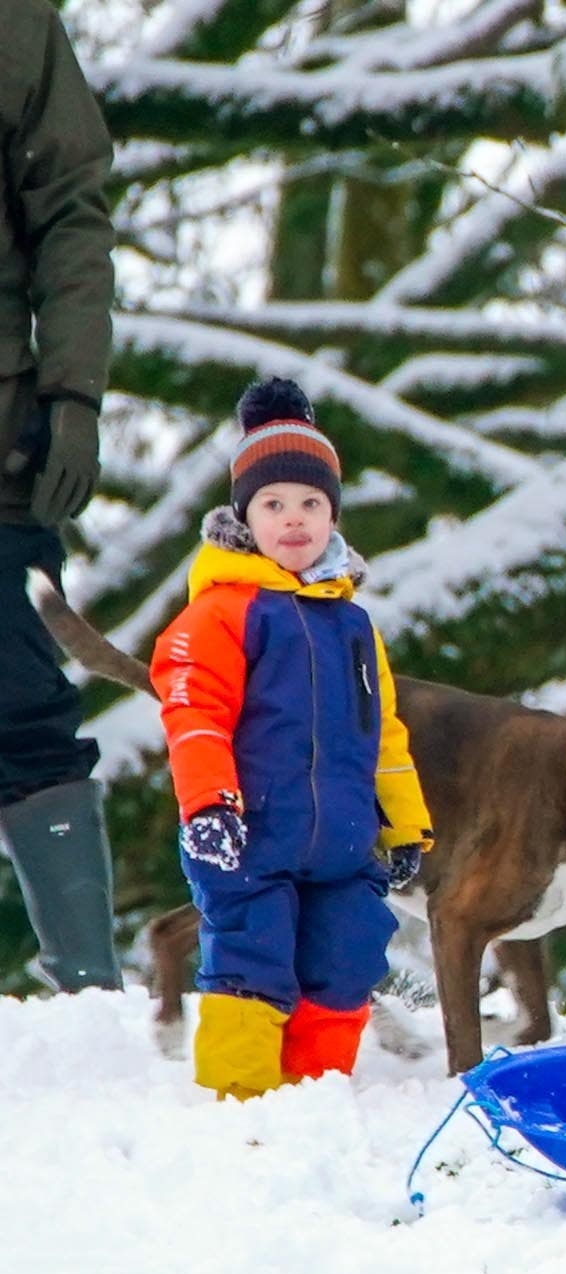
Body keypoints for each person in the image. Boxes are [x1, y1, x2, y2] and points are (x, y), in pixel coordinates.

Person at [149, 379, 432, 1100]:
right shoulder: (222, 613)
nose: (294, 519)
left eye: (311, 503)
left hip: (341, 842)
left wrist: (403, 821)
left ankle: (313, 1100)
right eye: (273, 505)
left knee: (347, 962)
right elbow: (195, 714)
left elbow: (385, 734)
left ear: (333, 515)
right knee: (252, 962)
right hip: (247, 841)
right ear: (244, 520)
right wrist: (209, 806)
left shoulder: (353, 624)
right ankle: (239, 1104)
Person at [0, 0, 121, 993]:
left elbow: (72, 208)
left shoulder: (18, 26)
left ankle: (90, 999)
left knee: (27, 711)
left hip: (3, 452)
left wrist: (73, 393)